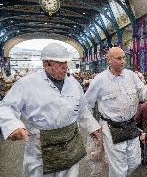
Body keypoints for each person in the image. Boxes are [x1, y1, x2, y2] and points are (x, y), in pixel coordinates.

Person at [0, 43, 101, 177]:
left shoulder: (74, 84)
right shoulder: (27, 84)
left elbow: (83, 110)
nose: (65, 66)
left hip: (70, 145)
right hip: (41, 149)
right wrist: (13, 126)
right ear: (46, 65)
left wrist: (92, 127)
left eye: (65, 62)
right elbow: (6, 106)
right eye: (60, 63)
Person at [85, 47, 146, 177]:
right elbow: (87, 105)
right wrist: (92, 127)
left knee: (135, 161)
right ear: (109, 60)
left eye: (124, 58)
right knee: (118, 169)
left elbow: (143, 92)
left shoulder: (131, 76)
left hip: (130, 125)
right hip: (111, 127)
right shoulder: (99, 80)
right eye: (119, 58)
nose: (123, 61)